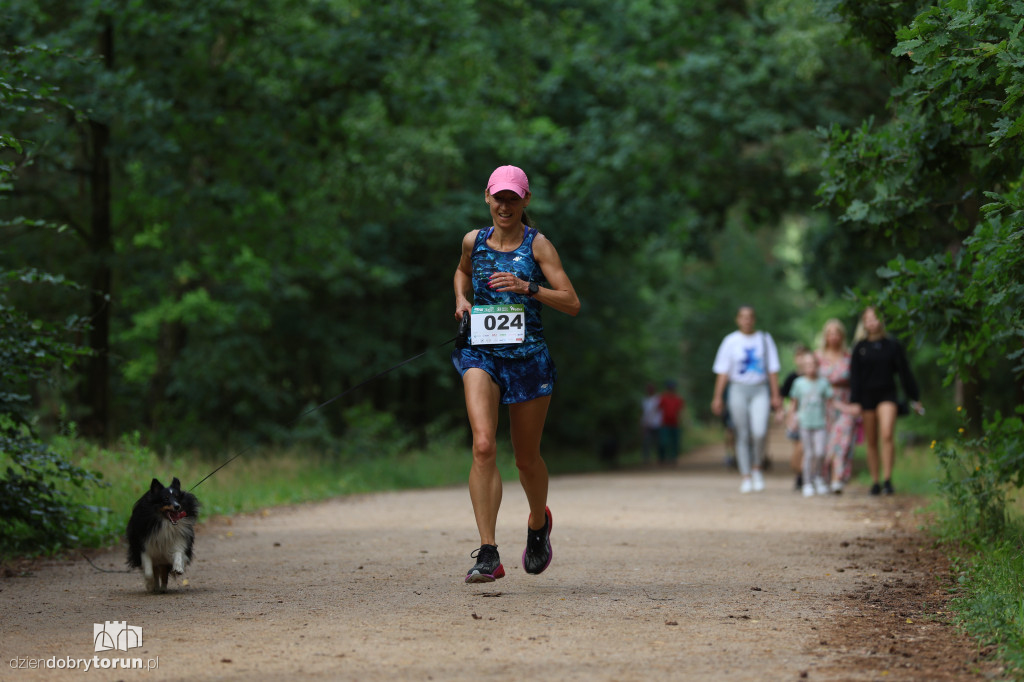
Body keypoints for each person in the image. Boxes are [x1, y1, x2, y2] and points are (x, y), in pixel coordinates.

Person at [452, 165, 581, 583]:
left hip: (527, 359)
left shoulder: (538, 246)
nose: (504, 205)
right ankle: (488, 552)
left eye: (513, 198)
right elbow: (462, 273)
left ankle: (538, 523)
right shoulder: (474, 241)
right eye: (498, 197)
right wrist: (462, 300)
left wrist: (529, 288)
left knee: (526, 459)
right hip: (481, 353)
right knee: (484, 445)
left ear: (525, 202)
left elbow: (572, 302)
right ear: (486, 198)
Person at [848, 307, 923, 496]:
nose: (872, 322)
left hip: (887, 395)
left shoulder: (893, 345)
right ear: (864, 323)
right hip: (866, 398)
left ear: (882, 320)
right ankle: (875, 481)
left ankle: (888, 479)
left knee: (887, 434)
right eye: (868, 319)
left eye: (875, 318)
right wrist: (854, 401)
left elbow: (905, 373)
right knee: (871, 440)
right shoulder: (859, 348)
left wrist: (915, 397)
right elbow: (854, 377)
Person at [710, 306, 783, 493]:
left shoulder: (765, 340)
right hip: (737, 389)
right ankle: (746, 475)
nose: (747, 320)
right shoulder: (730, 341)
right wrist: (718, 397)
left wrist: (776, 395)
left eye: (750, 317)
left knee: (759, 431)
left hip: (760, 389)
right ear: (737, 320)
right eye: (743, 317)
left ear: (754, 319)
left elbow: (772, 370)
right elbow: (723, 372)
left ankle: (757, 467)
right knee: (741, 433)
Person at [788, 353, 842, 497]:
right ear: (803, 367)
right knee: (808, 453)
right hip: (804, 423)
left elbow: (831, 402)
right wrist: (791, 419)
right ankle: (807, 483)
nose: (810, 368)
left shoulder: (823, 383)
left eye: (812, 364)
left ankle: (817, 477)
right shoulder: (798, 383)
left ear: (817, 366)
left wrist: (841, 412)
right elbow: (794, 403)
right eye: (807, 365)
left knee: (820, 452)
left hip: (820, 423)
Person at [815, 318, 857, 493]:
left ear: (842, 336)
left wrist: (857, 404)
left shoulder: (849, 357)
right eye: (830, 333)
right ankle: (822, 477)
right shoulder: (817, 356)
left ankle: (836, 478)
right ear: (825, 336)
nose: (833, 336)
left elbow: (858, 382)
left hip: (845, 404)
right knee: (825, 442)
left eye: (836, 333)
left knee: (842, 439)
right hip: (822, 404)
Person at [779, 346, 810, 491]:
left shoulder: (814, 376)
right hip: (797, 417)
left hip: (811, 417)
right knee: (797, 447)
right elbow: (785, 396)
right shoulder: (792, 377)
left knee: (805, 447)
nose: (802, 360)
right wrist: (783, 413)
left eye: (805, 356)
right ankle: (799, 474)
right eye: (799, 356)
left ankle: (806, 474)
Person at [657, 380, 686, 465]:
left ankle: (673, 458)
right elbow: (658, 410)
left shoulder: (678, 398)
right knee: (663, 442)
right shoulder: (663, 398)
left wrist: (682, 421)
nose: (671, 389)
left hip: (675, 423)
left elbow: (681, 411)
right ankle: (662, 458)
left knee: (675, 442)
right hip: (664, 423)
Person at [640, 383, 662, 464]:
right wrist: (642, 424)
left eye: (651, 388)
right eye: (648, 389)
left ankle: (660, 458)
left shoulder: (658, 399)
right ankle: (646, 459)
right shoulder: (644, 400)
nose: (649, 390)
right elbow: (643, 413)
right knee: (646, 442)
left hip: (657, 424)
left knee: (658, 442)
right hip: (647, 424)